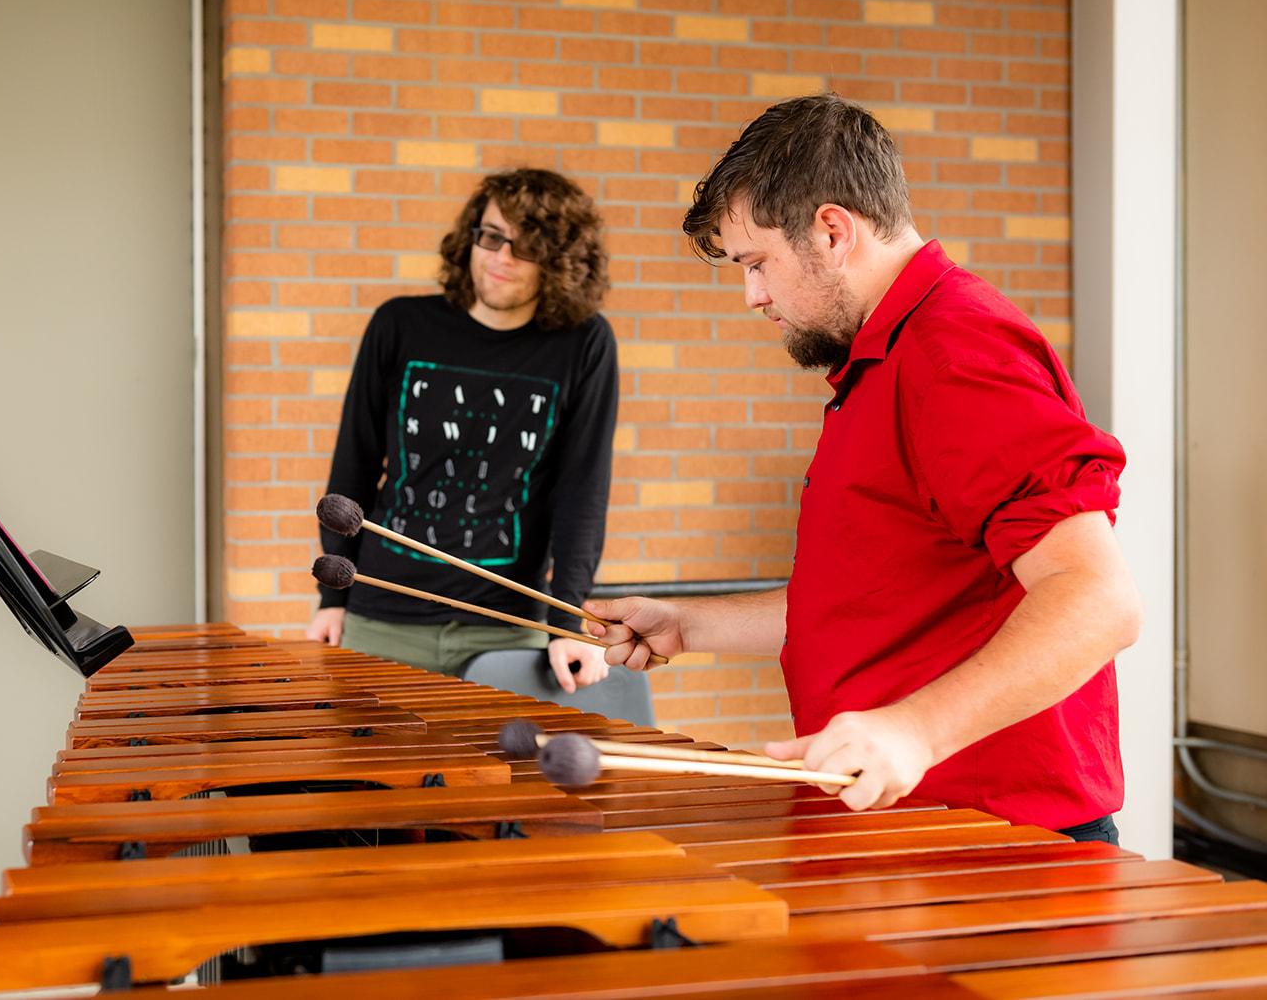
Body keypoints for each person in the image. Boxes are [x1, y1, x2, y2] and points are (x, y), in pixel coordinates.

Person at [586, 95, 1141, 843]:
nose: (753, 295)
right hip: (920, 829)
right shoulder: (886, 358)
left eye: (757, 263)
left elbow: (1099, 598)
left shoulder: (954, 354)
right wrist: (690, 622)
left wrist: (916, 730)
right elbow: (878, 594)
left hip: (997, 840)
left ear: (832, 230)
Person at [310, 168, 619, 693]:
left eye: (526, 247)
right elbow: (353, 466)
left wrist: (568, 622)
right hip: (382, 616)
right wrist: (333, 598)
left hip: (508, 629)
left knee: (502, 776)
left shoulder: (584, 344)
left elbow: (580, 494)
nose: (502, 257)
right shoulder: (400, 325)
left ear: (561, 262)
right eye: (492, 237)